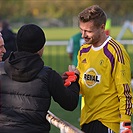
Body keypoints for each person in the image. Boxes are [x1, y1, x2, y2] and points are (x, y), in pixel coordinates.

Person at [0, 24, 80, 133]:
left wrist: (57, 82)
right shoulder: (49, 75)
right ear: (41, 47)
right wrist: (74, 79)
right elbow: (70, 103)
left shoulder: (1, 69)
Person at [73, 5, 132, 133]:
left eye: (88, 31)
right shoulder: (83, 50)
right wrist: (73, 79)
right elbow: (84, 85)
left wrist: (126, 123)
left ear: (102, 28)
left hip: (108, 121)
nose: (83, 35)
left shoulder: (116, 51)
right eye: (81, 30)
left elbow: (125, 90)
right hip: (87, 119)